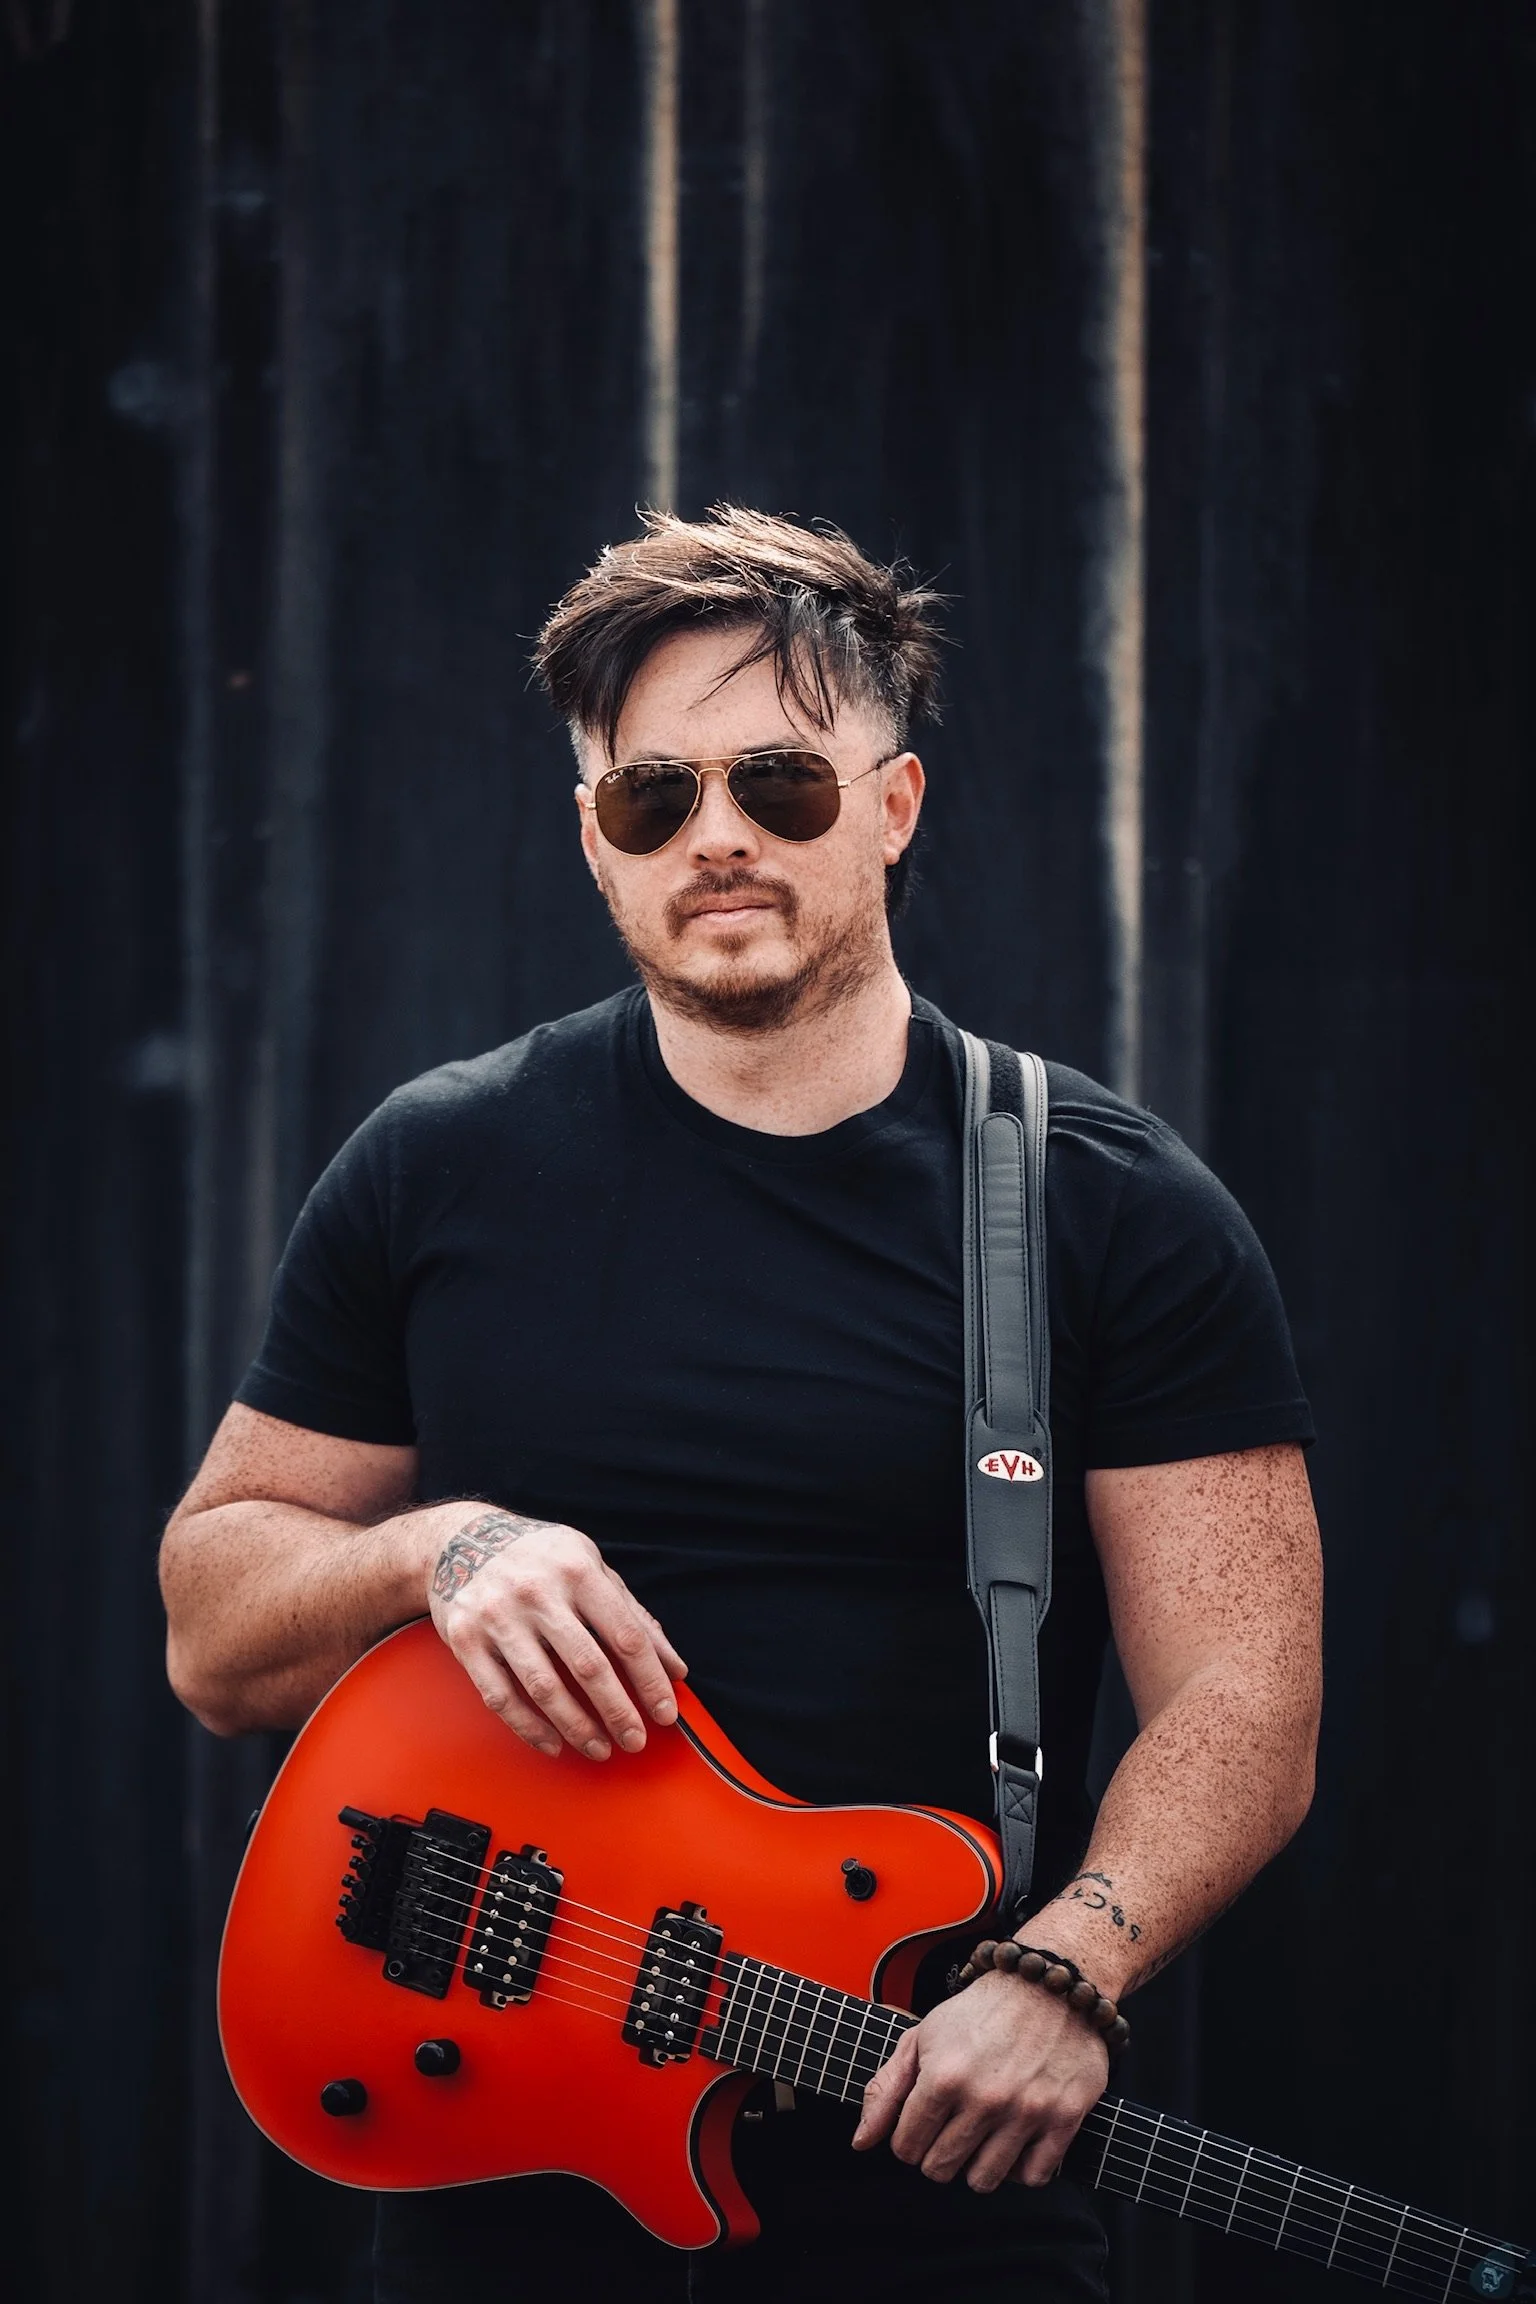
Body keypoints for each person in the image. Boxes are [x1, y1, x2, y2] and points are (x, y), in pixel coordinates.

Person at [160, 505, 1322, 2304]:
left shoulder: (1114, 1209)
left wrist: (1069, 1968)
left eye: (779, 784)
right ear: (594, 841)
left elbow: (1247, 1698)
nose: (716, 839)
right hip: (505, 2166)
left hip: (937, 2166)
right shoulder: (438, 1166)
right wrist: (437, 1552)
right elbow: (215, 1628)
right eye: (654, 798)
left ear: (893, 805)